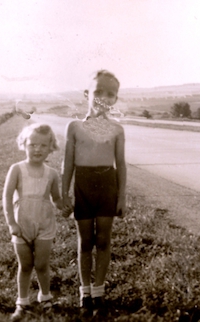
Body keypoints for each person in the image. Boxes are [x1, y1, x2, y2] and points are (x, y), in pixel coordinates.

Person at [62, 70, 127, 317]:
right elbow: (67, 163)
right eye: (98, 91)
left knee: (103, 241)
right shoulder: (75, 127)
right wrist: (64, 193)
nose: (103, 97)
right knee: (85, 242)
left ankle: (98, 291)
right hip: (83, 186)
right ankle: (84, 291)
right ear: (87, 94)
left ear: (115, 100)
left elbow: (121, 164)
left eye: (110, 94)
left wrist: (122, 197)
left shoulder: (117, 130)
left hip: (107, 186)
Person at [3, 123, 66, 321]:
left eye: (43, 146)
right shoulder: (17, 169)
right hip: (22, 225)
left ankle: (45, 298)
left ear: (51, 148)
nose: (37, 149)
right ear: (24, 144)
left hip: (44, 224)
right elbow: (6, 197)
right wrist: (11, 223)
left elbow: (55, 198)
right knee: (25, 265)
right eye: (32, 145)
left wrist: (64, 206)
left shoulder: (52, 173)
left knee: (41, 264)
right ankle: (22, 302)